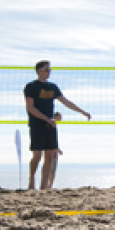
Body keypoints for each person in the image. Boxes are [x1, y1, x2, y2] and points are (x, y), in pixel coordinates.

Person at [24, 60, 90, 190]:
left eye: (50, 69)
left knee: (49, 156)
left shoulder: (52, 87)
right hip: (37, 124)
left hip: (50, 125)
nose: (49, 72)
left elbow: (66, 102)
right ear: (39, 71)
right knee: (37, 156)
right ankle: (31, 180)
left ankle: (44, 187)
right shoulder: (31, 87)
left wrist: (82, 111)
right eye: (46, 69)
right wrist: (46, 119)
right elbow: (30, 108)